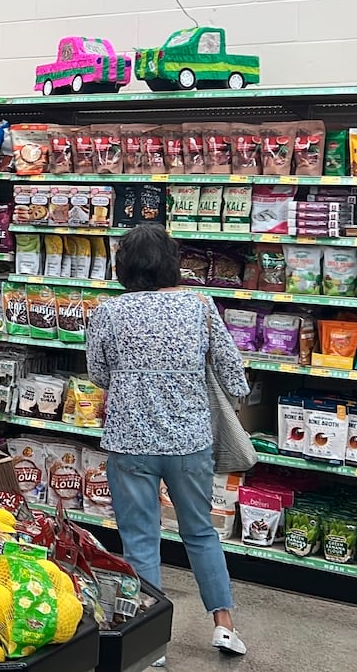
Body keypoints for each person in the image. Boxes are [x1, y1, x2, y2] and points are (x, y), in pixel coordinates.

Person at [86, 224, 249, 661]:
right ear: (172, 263)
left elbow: (99, 375)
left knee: (140, 539)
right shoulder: (199, 306)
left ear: (123, 268)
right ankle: (224, 627)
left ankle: (150, 640)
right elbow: (235, 376)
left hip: (129, 441)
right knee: (200, 533)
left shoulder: (108, 312)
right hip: (190, 439)